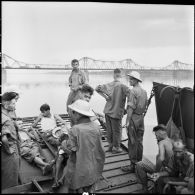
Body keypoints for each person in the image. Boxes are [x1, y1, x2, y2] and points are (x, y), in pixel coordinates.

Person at [62, 99, 105, 193]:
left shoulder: (75, 129)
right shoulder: (96, 126)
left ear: (77, 114)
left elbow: (70, 151)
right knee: (90, 188)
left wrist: (63, 144)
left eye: (73, 112)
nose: (72, 114)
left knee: (75, 186)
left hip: (80, 167)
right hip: (94, 164)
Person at [95, 68, 129, 153]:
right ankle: (116, 147)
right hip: (116, 112)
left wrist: (105, 97)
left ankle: (110, 146)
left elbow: (96, 89)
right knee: (117, 131)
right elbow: (132, 97)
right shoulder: (123, 86)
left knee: (109, 130)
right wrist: (127, 110)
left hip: (107, 111)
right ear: (122, 75)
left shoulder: (109, 85)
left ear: (114, 75)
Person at [121, 71, 148, 172]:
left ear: (136, 80)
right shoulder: (144, 91)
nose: (129, 80)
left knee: (132, 142)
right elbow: (144, 106)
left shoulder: (133, 91)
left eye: (131, 79)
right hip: (141, 118)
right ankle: (139, 163)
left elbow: (131, 107)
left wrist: (127, 121)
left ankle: (132, 165)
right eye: (130, 78)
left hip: (133, 118)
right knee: (139, 141)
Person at [135, 124, 173, 192]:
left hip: (165, 170)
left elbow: (160, 159)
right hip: (171, 170)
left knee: (139, 165)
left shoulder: (162, 143)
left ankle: (145, 189)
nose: (156, 137)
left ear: (162, 132)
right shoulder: (171, 141)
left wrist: (156, 172)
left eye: (156, 135)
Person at [1, 91, 21, 190]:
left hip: (7, 150)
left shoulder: (4, 115)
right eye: (13, 103)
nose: (15, 105)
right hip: (10, 151)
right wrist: (9, 150)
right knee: (10, 177)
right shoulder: (6, 119)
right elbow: (4, 138)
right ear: (5, 104)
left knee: (8, 175)